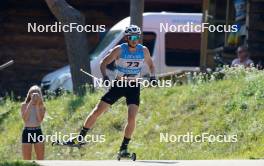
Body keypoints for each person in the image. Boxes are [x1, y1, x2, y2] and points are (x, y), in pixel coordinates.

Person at [68, 25, 156, 156]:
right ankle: (80, 138)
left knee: (132, 118)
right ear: (126, 38)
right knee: (98, 111)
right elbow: (103, 63)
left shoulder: (143, 50)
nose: (134, 40)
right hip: (119, 85)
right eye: (132, 37)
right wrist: (105, 77)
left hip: (134, 87)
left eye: (137, 37)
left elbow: (151, 66)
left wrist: (153, 77)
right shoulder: (120, 49)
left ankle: (123, 149)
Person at [21, 85, 46, 160]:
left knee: (40, 159)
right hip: (27, 132)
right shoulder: (24, 105)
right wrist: (31, 103)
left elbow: (39, 120)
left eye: (37, 93)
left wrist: (38, 105)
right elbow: (25, 119)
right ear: (29, 94)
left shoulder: (42, 106)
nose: (34, 95)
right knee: (26, 160)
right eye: (32, 93)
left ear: (40, 95)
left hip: (37, 131)